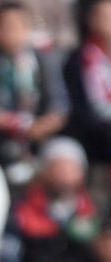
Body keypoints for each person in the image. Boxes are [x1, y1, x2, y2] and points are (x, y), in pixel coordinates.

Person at [0, 1, 69, 170]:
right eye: (8, 26)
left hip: (41, 135)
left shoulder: (44, 59)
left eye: (20, 25)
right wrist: (20, 126)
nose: (14, 32)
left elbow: (59, 102)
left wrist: (44, 125)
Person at [9, 136, 100, 262]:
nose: (65, 178)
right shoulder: (22, 208)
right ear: (44, 172)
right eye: (59, 170)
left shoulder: (95, 210)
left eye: (71, 170)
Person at [65, 0, 111, 164]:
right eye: (104, 15)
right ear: (91, 20)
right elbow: (89, 109)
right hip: (96, 132)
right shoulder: (80, 59)